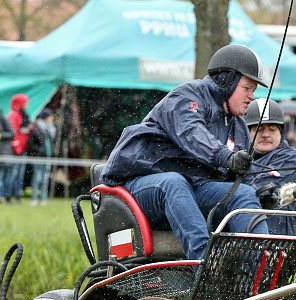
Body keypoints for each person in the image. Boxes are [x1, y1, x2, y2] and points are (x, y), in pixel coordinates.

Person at [101, 44, 270, 260]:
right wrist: (225, 157)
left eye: (254, 91)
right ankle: (207, 265)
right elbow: (191, 132)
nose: (251, 96)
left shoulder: (238, 126)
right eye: (247, 88)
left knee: (244, 194)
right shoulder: (188, 96)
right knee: (173, 182)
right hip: (137, 188)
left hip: (190, 191)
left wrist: (260, 191)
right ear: (226, 81)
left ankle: (260, 267)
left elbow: (240, 176)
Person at [241, 99, 296, 236]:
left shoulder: (293, 160)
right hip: (241, 241)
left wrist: (234, 172)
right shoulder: (241, 157)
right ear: (246, 133)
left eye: (272, 129)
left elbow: (260, 189)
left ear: (281, 132)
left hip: (278, 245)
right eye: (259, 129)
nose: (265, 134)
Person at [26, 109, 56, 205]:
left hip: (48, 157)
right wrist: (39, 150)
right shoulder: (36, 129)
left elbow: (51, 143)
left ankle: (43, 199)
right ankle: (34, 198)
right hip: (39, 157)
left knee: (45, 179)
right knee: (37, 178)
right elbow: (30, 143)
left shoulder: (51, 129)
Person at [5, 93, 31, 203]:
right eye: (26, 103)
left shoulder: (23, 115)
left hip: (22, 150)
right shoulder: (13, 116)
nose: (27, 105)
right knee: (12, 174)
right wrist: (18, 149)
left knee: (20, 175)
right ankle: (8, 196)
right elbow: (13, 134)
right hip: (15, 151)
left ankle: (17, 196)